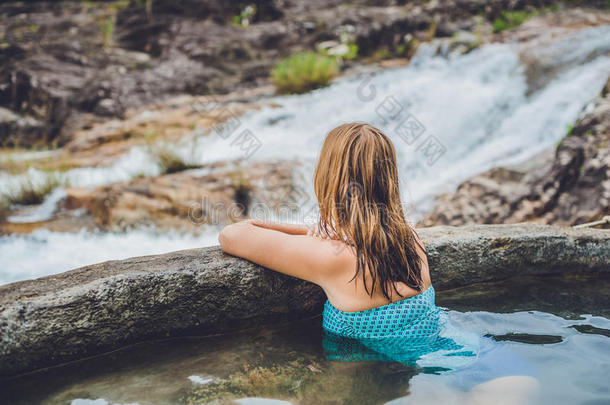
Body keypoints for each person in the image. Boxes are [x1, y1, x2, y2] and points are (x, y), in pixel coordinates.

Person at [219, 122, 538, 404]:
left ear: (329, 179)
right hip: (492, 366)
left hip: (445, 379)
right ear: (389, 179)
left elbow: (233, 234)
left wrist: (311, 230)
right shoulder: (410, 238)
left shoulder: (333, 259)